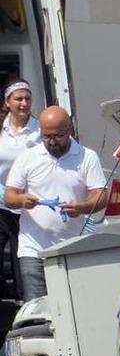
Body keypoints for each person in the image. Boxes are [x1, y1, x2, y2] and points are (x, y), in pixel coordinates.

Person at [4, 106, 107, 302]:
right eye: (46, 136)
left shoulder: (87, 157)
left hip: (74, 248)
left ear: (69, 130)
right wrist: (22, 200)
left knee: (76, 305)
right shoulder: (28, 157)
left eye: (58, 136)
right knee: (39, 310)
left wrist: (81, 207)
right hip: (34, 249)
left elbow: (101, 196)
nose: (51, 142)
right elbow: (9, 196)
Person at [0, 78, 40, 300]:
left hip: (27, 208)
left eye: (27, 98)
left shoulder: (39, 130)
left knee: (23, 263)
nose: (24, 103)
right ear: (8, 102)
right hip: (1, 207)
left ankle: (25, 311)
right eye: (18, 99)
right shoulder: (1, 129)